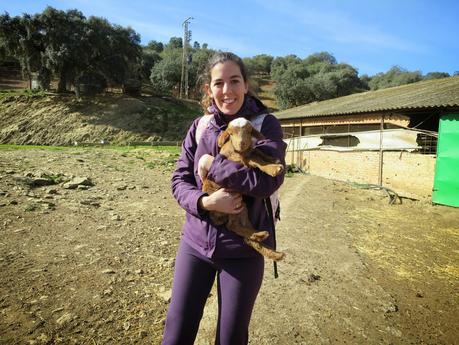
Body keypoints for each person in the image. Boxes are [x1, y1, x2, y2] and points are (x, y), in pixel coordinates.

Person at [161, 52, 286, 345]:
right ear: (209, 89)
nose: (227, 91)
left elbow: (269, 180)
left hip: (243, 251)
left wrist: (212, 165)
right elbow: (179, 179)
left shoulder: (265, 126)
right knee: (176, 332)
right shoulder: (200, 127)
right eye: (219, 83)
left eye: (234, 81)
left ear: (246, 85)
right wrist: (204, 203)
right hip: (195, 245)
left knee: (231, 338)